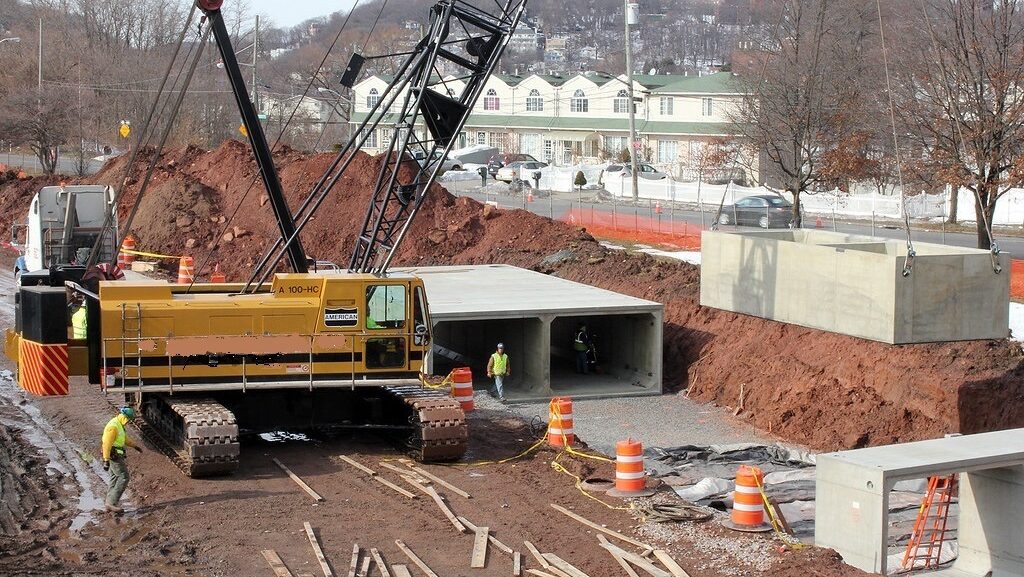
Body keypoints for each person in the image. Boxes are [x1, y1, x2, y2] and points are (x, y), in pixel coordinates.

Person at [101, 406, 143, 513]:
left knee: (114, 477)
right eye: (128, 419)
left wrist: (134, 446)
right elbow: (106, 444)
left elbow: (124, 438)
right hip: (113, 455)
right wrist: (106, 460)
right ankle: (112, 503)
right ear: (125, 417)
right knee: (124, 477)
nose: (128, 422)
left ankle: (109, 502)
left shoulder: (118, 424)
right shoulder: (113, 427)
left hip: (115, 454)